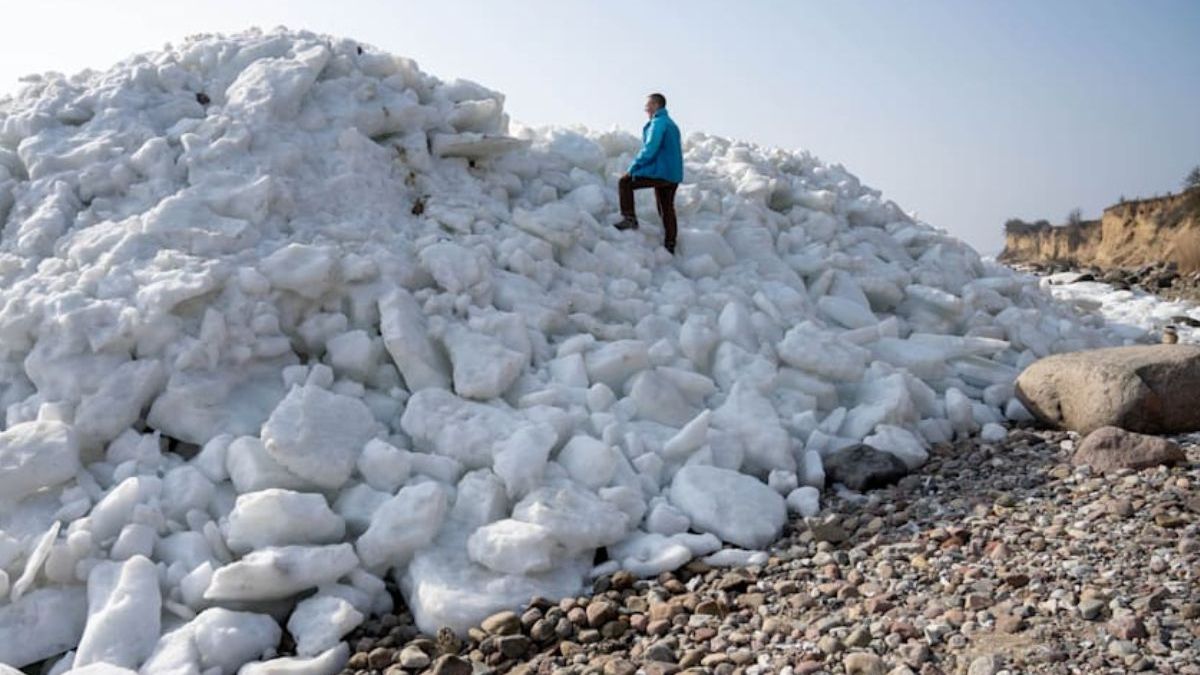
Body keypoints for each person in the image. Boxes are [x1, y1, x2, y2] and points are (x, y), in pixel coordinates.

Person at [616, 93, 683, 253]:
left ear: (656, 105)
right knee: (667, 208)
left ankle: (629, 218)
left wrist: (633, 167)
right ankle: (670, 244)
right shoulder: (670, 123)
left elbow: (651, 148)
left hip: (661, 171)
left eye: (648, 105)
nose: (645, 108)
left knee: (624, 182)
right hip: (673, 174)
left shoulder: (658, 123)